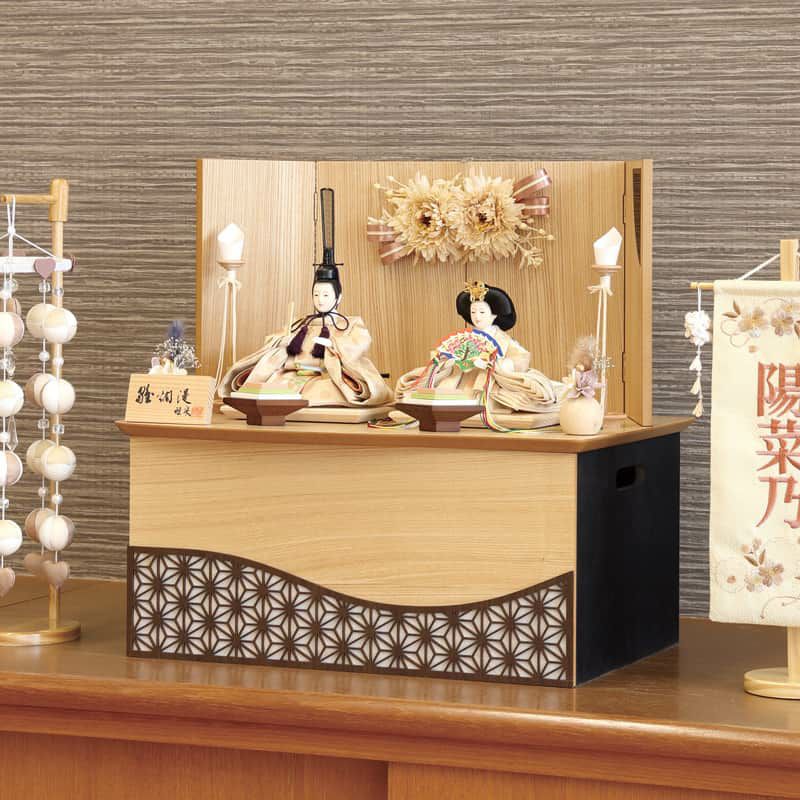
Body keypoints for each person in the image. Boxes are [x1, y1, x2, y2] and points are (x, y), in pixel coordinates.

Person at [220, 263, 393, 407]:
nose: (320, 300)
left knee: (334, 392)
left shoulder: (350, 324)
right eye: (316, 294)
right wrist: (282, 341)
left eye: (326, 295)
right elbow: (271, 341)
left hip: (328, 376)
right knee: (267, 390)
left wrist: (333, 345)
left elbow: (360, 343)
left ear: (338, 297)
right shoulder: (300, 323)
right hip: (292, 374)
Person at [396, 280, 560, 415]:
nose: (477, 317)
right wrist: (451, 361)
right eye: (473, 312)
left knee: (520, 393)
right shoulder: (464, 337)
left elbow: (520, 358)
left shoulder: (503, 339)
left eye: (482, 312)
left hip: (487, 381)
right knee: (430, 392)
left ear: (494, 314)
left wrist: (495, 364)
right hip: (458, 380)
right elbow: (441, 356)